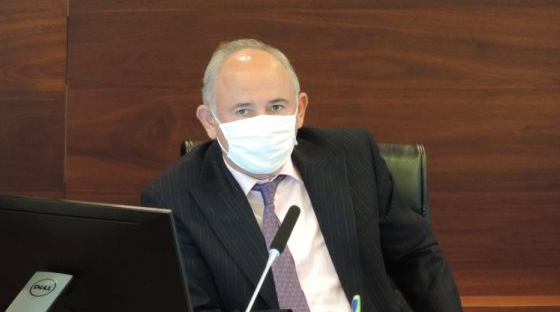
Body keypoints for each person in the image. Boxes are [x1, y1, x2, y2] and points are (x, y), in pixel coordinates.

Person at [141, 38, 462, 312]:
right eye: (243, 111)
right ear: (209, 121)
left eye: (277, 107)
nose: (263, 122)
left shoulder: (353, 156)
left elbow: (416, 255)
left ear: (301, 109)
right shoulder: (174, 197)